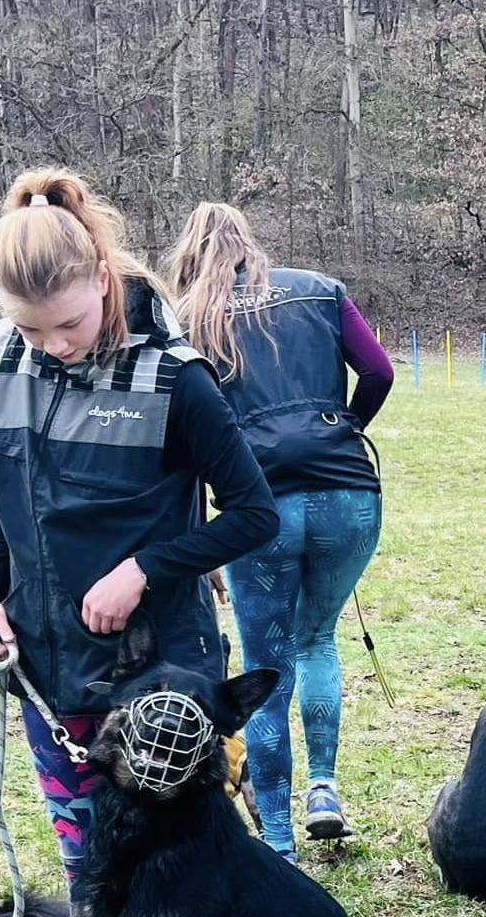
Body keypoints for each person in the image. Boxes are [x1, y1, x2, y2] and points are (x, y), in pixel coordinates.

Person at [0, 168, 277, 917]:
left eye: (66, 326)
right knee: (87, 861)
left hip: (157, 674)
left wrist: (148, 566)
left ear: (102, 276)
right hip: (47, 669)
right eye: (32, 332)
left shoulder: (174, 377)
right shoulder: (3, 360)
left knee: (186, 864)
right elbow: (6, 498)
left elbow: (254, 514)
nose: (53, 348)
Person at [162, 202, 396, 858]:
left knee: (267, 667)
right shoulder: (320, 291)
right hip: (349, 494)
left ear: (190, 253)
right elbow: (378, 369)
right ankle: (323, 786)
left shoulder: (187, 321)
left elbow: (179, 427)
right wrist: (346, 428)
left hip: (257, 504)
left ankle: (282, 843)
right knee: (317, 637)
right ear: (249, 244)